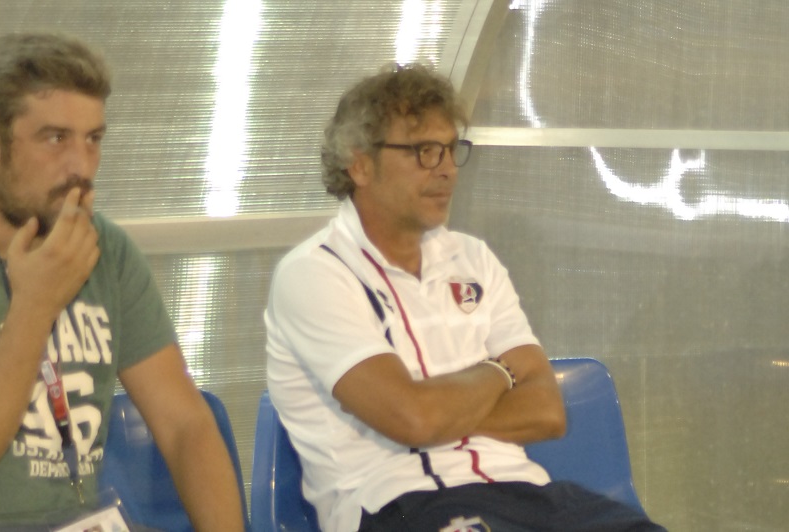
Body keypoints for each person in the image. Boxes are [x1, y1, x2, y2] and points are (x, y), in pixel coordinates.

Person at [0, 33, 245, 531]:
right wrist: (34, 305)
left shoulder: (106, 250)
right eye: (56, 139)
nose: (81, 166)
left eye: (93, 139)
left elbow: (184, 425)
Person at [264, 64, 666, 532]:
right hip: (402, 503)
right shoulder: (314, 273)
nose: (447, 169)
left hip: (528, 492)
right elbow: (412, 419)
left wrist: (439, 412)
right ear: (360, 164)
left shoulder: (474, 258)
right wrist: (500, 372)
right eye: (424, 151)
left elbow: (546, 411)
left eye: (452, 149)